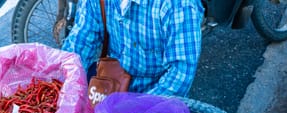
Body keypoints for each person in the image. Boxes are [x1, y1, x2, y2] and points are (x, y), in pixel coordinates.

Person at [61, 0, 204, 97]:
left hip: (155, 97)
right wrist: (63, 87)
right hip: (110, 83)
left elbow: (180, 74)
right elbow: (80, 41)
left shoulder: (178, 5)